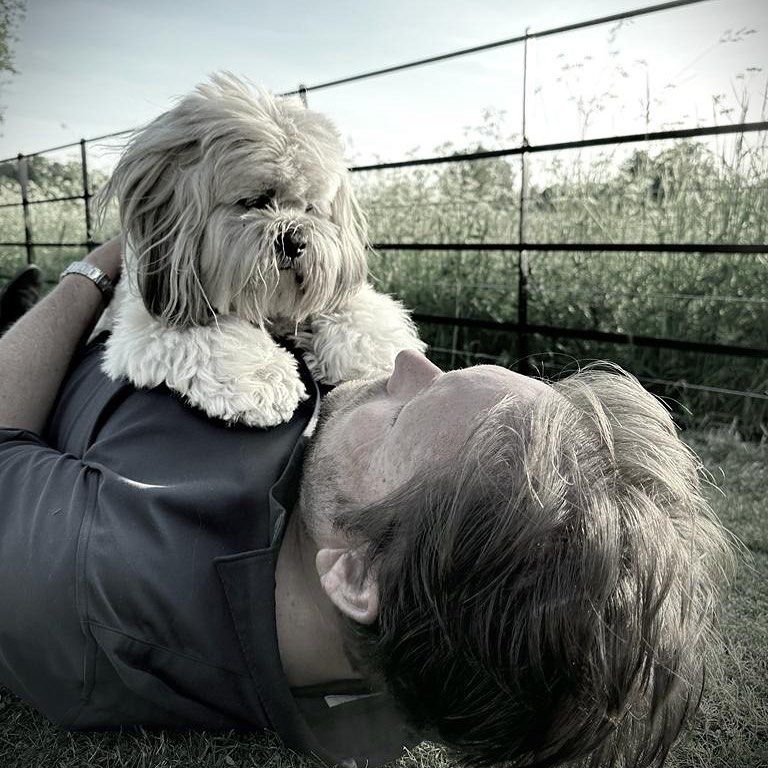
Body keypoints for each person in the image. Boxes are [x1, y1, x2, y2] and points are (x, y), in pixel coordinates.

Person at [0, 239, 734, 768]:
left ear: (353, 577)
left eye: (407, 412)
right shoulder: (433, 621)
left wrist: (97, 269)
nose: (406, 363)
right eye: (442, 370)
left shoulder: (93, 579)